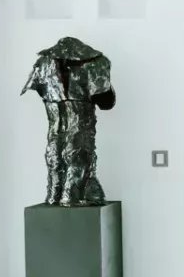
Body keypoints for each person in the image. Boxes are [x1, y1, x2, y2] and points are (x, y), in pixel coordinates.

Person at [21, 37, 116, 206]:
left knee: (56, 151)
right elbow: (106, 101)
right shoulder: (96, 63)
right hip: (79, 122)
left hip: (55, 121)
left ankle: (54, 194)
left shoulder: (43, 63)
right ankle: (71, 195)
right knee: (77, 152)